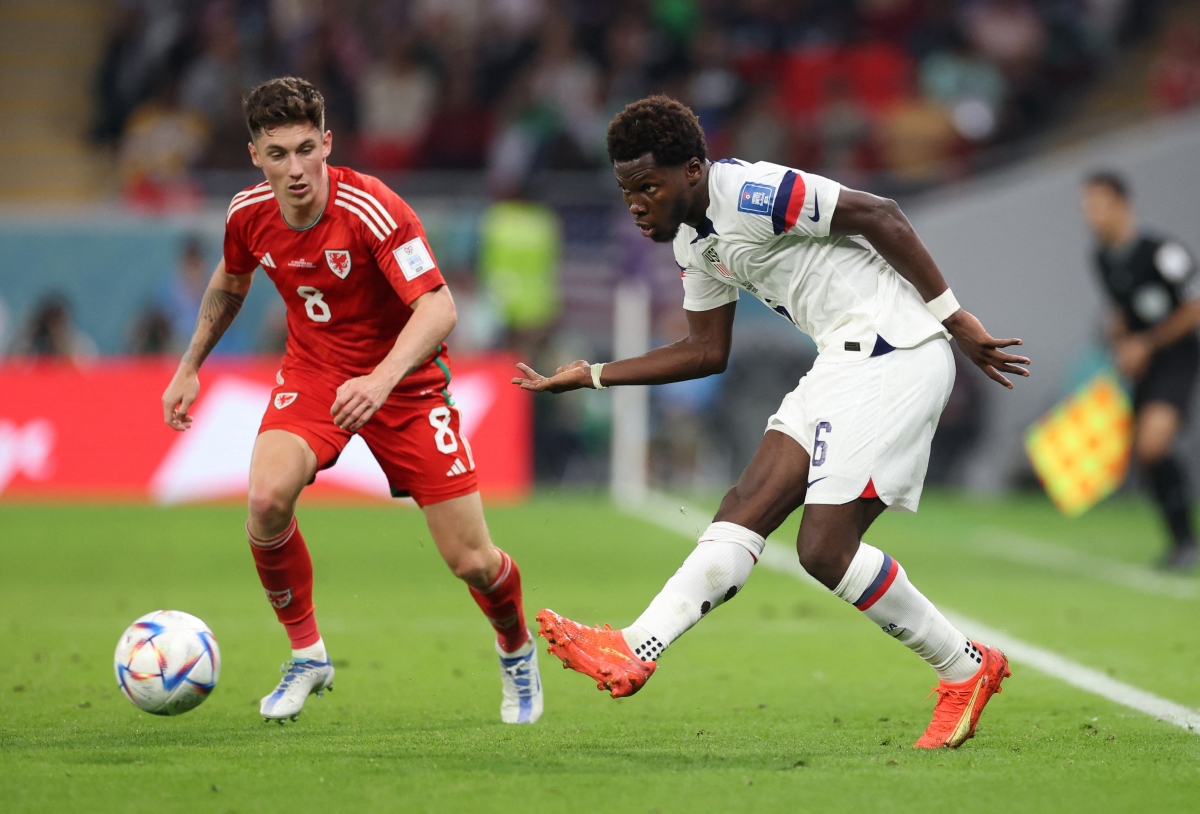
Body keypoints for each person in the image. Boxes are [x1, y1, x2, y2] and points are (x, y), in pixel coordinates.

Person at [513, 96, 1031, 749]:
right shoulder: (693, 243)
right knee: (746, 505)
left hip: (892, 351)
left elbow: (880, 213)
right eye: (627, 191)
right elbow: (706, 351)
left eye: (649, 186)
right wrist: (593, 374)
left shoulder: (752, 192)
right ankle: (635, 647)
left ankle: (964, 665)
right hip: (841, 361)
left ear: (692, 171)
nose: (637, 204)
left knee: (824, 549)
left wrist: (955, 319)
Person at [161, 77, 543, 724]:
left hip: (406, 384)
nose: (295, 168)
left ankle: (515, 648)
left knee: (472, 560)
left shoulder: (373, 208)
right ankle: (307, 654)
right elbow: (231, 279)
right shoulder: (247, 213)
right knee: (265, 501)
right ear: (255, 155)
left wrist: (381, 380)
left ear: (327, 143)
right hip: (314, 373)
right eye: (277, 153)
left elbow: (439, 307)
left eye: (305, 149)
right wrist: (189, 365)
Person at [1081, 171, 1200, 570]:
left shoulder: (1163, 252)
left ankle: (1186, 541)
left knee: (1153, 444)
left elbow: (1194, 307)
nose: (1091, 215)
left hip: (1176, 359)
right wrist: (1118, 341)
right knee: (1148, 457)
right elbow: (1122, 311)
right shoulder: (1102, 257)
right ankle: (1181, 542)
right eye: (1087, 207)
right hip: (1140, 365)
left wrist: (1146, 343)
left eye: (1099, 205)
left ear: (1122, 205)